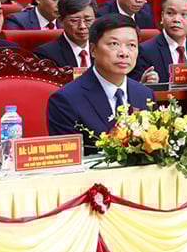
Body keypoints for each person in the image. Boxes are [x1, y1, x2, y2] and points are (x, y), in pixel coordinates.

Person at [47, 15, 155, 150]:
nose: (124, 53)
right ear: (93, 50)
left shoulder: (145, 94)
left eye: (131, 45)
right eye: (114, 44)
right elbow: (69, 162)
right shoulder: (65, 100)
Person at [137, 0, 187, 81]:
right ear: (162, 17)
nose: (176, 19)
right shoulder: (145, 51)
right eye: (170, 13)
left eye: (183, 14)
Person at [34, 0, 95, 68]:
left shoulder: (103, 48)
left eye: (88, 20)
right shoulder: (47, 54)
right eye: (74, 20)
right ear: (60, 21)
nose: (82, 26)